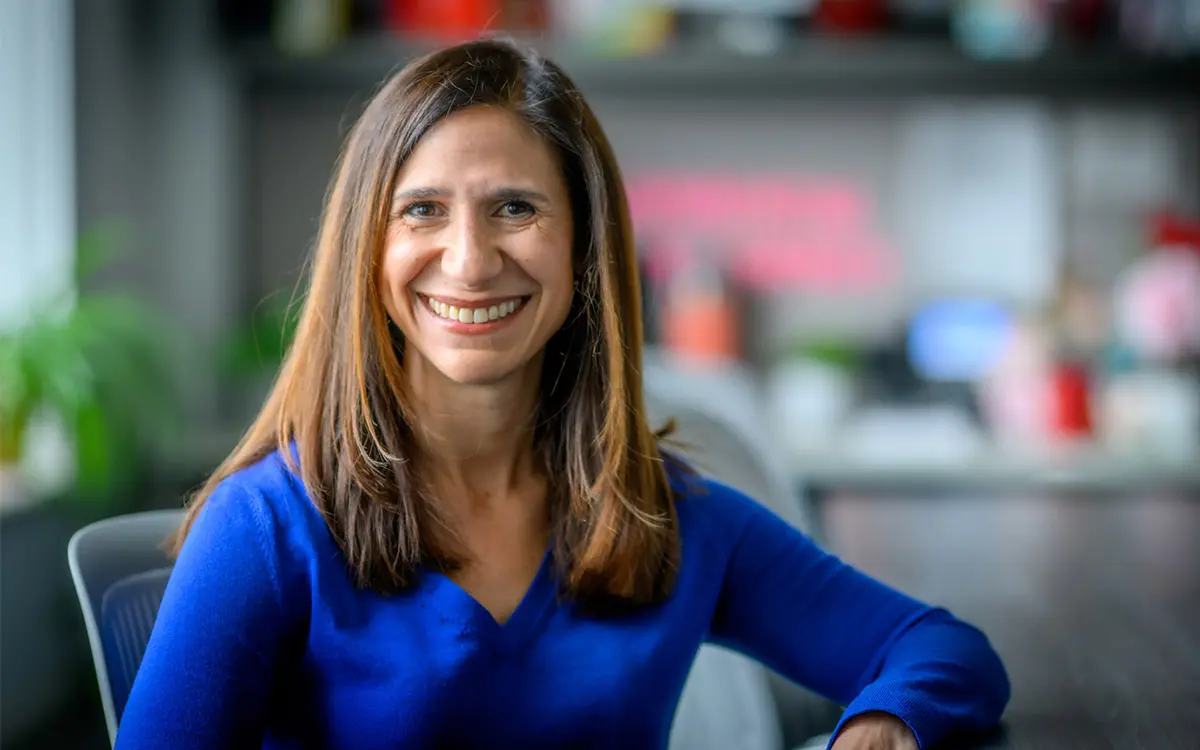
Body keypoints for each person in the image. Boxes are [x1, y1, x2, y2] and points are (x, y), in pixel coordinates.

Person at [115, 38, 1009, 750]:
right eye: (422, 210)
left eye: (515, 209)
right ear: (368, 252)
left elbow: (945, 650)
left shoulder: (672, 518)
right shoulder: (267, 528)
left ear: (584, 250)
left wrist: (884, 719)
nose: (468, 260)